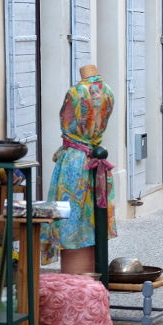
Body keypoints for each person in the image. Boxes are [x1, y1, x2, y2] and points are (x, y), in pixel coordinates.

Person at [42, 64, 117, 274]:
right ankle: (90, 276)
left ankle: (75, 278)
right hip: (94, 153)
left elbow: (67, 122)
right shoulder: (108, 91)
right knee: (91, 216)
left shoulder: (75, 92)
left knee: (71, 217)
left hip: (74, 161)